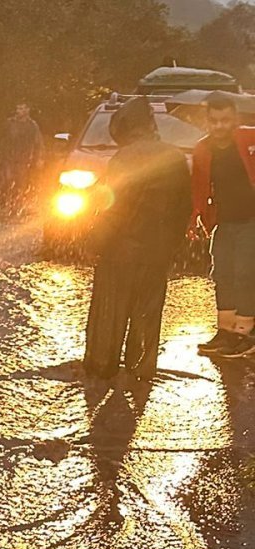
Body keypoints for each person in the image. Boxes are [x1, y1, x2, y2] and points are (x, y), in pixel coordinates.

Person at [83, 97, 193, 381]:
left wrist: (94, 242)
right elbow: (183, 208)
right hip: (157, 251)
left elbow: (113, 208)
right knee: (148, 311)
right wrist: (173, 245)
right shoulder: (175, 157)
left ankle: (102, 368)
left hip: (120, 251)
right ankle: (142, 369)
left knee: (110, 312)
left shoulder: (123, 158)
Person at [192, 93, 255, 358]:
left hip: (251, 219)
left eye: (225, 120)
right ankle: (226, 330)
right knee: (222, 274)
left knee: (245, 273)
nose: (219, 126)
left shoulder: (250, 139)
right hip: (225, 221)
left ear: (234, 120)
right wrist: (196, 216)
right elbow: (198, 187)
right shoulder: (203, 149)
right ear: (207, 121)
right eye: (214, 121)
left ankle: (245, 332)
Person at [0, 102, 44, 210]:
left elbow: (38, 143)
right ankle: (5, 204)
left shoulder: (32, 125)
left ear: (28, 110)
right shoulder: (9, 123)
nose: (20, 111)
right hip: (8, 157)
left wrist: (39, 158)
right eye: (18, 108)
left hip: (24, 159)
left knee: (20, 183)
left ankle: (18, 205)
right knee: (7, 180)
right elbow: (1, 139)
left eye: (22, 108)